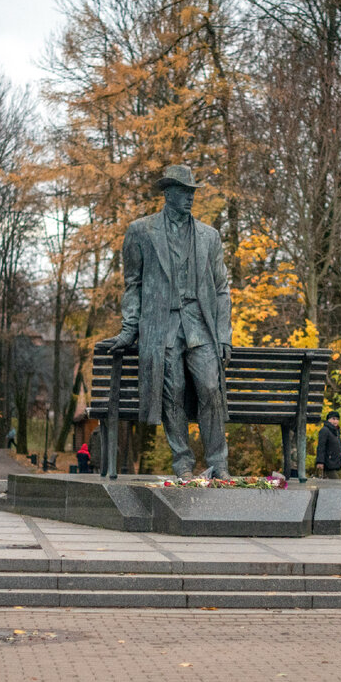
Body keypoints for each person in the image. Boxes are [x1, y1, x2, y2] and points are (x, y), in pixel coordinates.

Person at [100, 164, 233, 479]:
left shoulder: (209, 236)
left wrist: (224, 335)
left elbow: (221, 289)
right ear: (168, 192)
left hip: (200, 326)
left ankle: (219, 463)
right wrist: (129, 328)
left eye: (192, 192)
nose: (190, 198)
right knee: (171, 392)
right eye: (184, 191)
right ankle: (183, 464)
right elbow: (132, 286)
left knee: (211, 388)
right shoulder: (141, 231)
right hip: (162, 327)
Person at [315, 411, 341, 479]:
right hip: (327, 464)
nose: (335, 421)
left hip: (334, 463)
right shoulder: (325, 430)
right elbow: (321, 447)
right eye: (333, 419)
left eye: (337, 419)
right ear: (328, 419)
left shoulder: (336, 431)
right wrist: (320, 462)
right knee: (336, 483)